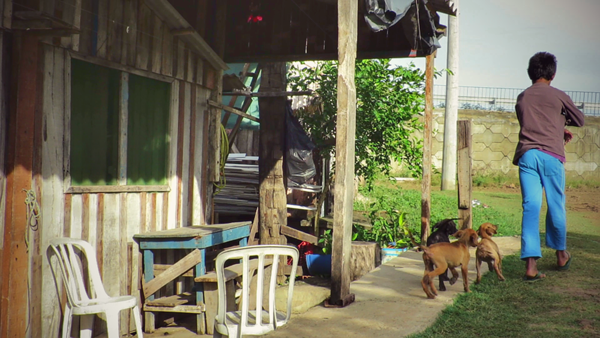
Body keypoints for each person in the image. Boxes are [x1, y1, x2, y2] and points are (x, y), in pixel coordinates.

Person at [513, 52, 585, 281]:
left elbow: (528, 122)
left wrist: (555, 126)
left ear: (530, 72)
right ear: (552, 74)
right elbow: (580, 120)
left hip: (527, 156)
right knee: (556, 204)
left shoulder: (523, 97)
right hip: (552, 156)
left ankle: (531, 266)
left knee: (531, 207)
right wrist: (560, 125)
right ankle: (561, 255)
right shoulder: (558, 96)